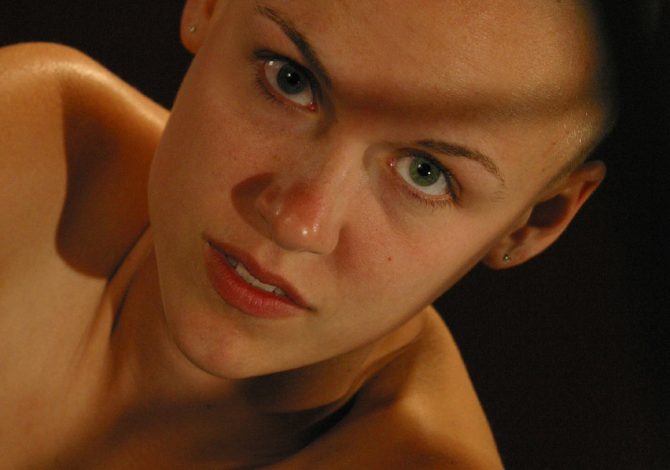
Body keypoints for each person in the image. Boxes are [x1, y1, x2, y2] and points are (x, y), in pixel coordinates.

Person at [0, 0, 625, 468]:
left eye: (425, 173)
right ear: (210, 4)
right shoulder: (32, 141)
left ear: (534, 222)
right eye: (290, 79)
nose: (298, 221)